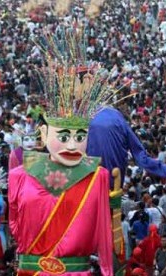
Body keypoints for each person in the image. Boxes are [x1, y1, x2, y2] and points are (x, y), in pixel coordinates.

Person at [8, 33, 114, 275]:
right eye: (63, 137)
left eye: (80, 137)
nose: (72, 146)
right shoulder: (19, 175)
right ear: (43, 135)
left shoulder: (97, 177)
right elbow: (14, 225)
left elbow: (105, 236)